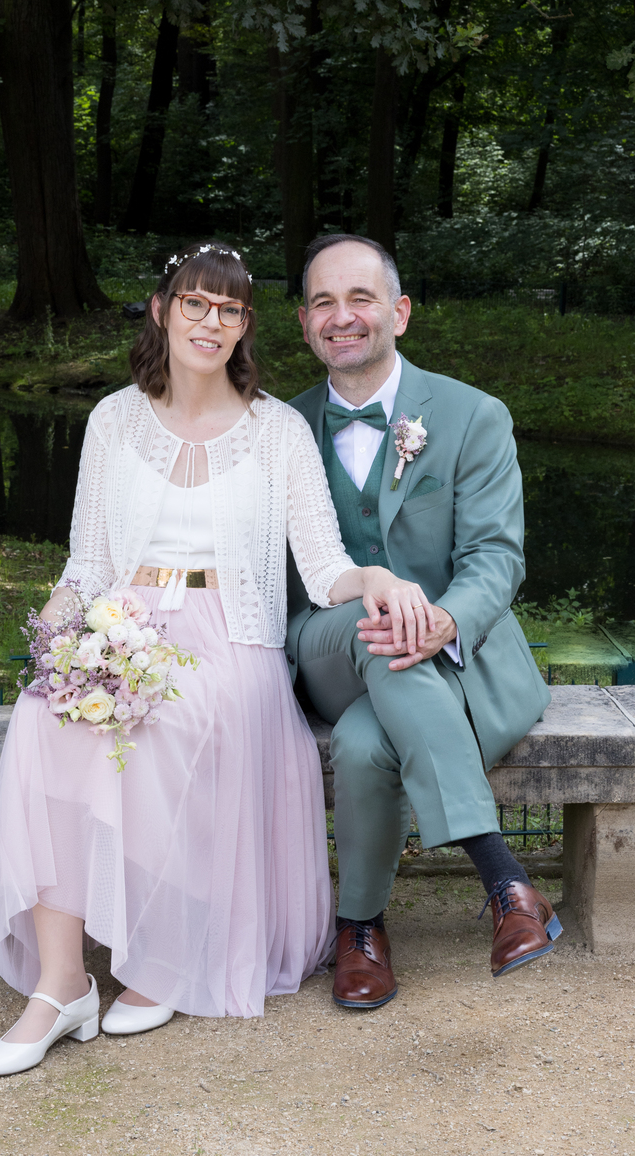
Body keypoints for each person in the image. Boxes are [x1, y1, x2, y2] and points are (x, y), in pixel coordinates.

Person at [0, 241, 435, 1077]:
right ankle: (62, 984)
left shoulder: (279, 431)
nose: (211, 322)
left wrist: (373, 577)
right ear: (162, 311)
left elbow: (322, 563)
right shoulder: (113, 420)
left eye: (229, 310)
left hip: (234, 637)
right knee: (44, 723)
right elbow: (85, 562)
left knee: (176, 721)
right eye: (195, 303)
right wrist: (52, 648)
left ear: (246, 326)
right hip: (125, 619)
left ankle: (162, 955)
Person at [285, 234, 559, 1011]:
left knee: (371, 740)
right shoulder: (276, 429)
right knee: (377, 628)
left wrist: (443, 620)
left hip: (460, 664)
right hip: (329, 642)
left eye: (361, 298)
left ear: (398, 313)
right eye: (325, 303)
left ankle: (360, 931)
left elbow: (497, 559)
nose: (344, 317)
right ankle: (504, 879)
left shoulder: (473, 416)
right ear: (305, 322)